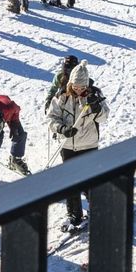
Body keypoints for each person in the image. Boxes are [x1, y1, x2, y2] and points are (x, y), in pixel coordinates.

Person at [46, 61, 108, 233]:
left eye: (82, 87)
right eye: (76, 86)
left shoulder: (94, 95)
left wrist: (96, 109)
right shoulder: (62, 96)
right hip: (68, 145)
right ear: (71, 84)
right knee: (71, 182)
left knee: (89, 181)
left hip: (88, 144)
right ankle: (74, 214)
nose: (79, 90)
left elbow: (104, 117)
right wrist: (62, 129)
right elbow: (51, 118)